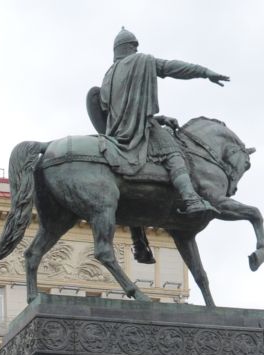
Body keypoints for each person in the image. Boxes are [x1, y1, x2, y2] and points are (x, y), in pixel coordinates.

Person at [94, 26, 228, 215]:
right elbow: (171, 67)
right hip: (138, 131)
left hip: (115, 133)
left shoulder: (108, 76)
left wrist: (160, 118)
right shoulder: (140, 61)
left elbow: (119, 112)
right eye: (134, 47)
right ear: (130, 47)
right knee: (174, 155)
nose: (136, 51)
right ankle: (191, 199)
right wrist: (204, 72)